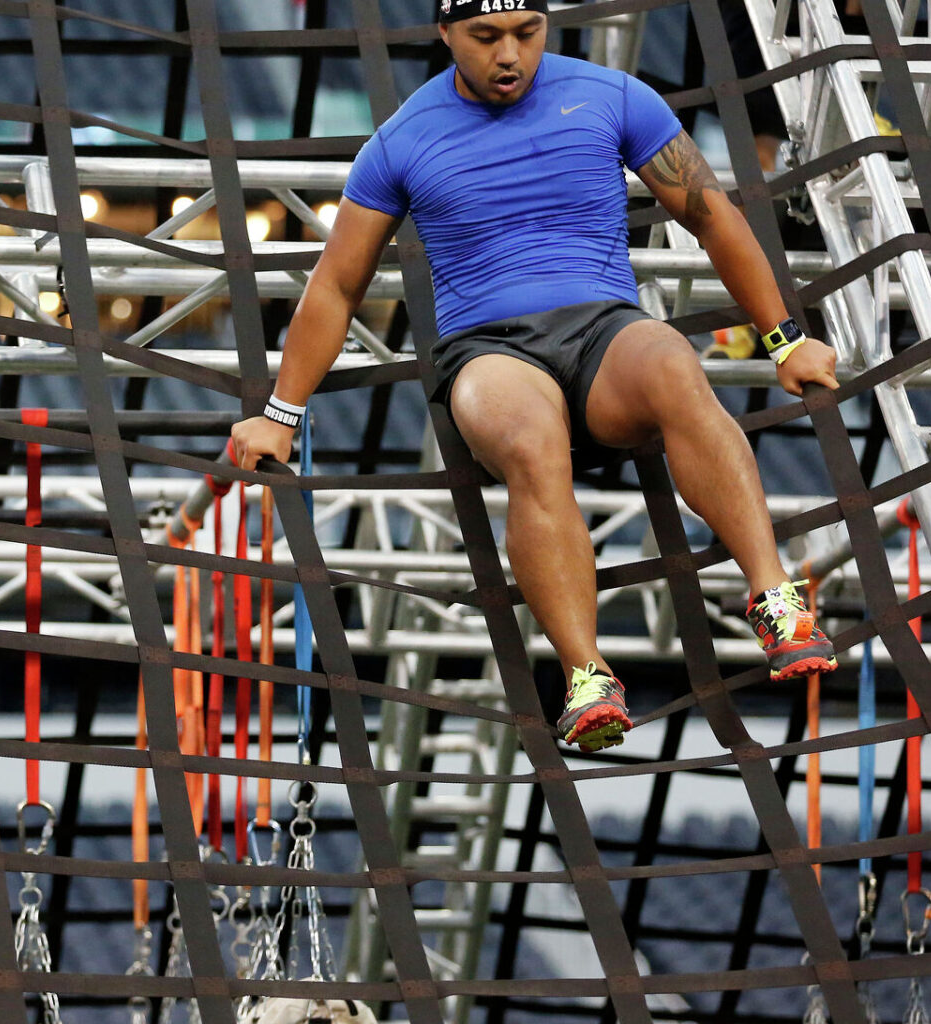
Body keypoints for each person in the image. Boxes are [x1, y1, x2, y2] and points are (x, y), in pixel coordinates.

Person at [229, 0, 842, 752]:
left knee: (679, 367)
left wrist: (786, 341)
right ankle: (587, 675)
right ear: (445, 34)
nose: (509, 54)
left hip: (604, 335)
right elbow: (334, 287)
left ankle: (775, 596)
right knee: (529, 441)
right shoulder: (400, 141)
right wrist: (280, 413)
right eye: (486, 38)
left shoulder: (614, 97)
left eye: (527, 32)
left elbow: (713, 216)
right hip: (490, 353)